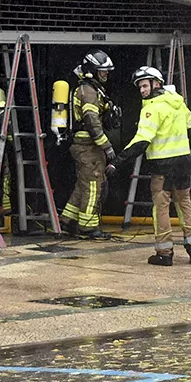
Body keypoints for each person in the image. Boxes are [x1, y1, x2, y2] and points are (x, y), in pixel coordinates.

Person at [109, 66, 191, 266]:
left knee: (161, 208)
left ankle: (165, 253)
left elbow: (142, 141)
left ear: (156, 83)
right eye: (140, 87)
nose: (142, 90)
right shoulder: (178, 103)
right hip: (183, 163)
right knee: (185, 204)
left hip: (162, 166)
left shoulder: (151, 108)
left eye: (144, 85)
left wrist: (118, 162)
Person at [62, 51, 118, 240]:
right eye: (102, 72)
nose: (106, 75)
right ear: (92, 71)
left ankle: (68, 221)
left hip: (84, 146)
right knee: (94, 186)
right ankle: (88, 228)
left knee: (83, 185)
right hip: (88, 146)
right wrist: (107, 146)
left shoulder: (89, 89)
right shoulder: (89, 91)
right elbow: (92, 121)